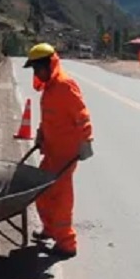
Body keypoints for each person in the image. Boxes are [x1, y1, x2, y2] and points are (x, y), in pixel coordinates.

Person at [23, 43, 94, 259]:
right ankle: (50, 229)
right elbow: (49, 118)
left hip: (66, 153)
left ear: (50, 64)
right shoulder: (50, 88)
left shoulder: (65, 85)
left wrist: (86, 141)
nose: (36, 73)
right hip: (52, 150)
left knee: (61, 197)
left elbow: (81, 115)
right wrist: (40, 134)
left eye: (38, 68)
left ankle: (66, 243)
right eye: (34, 69)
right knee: (41, 192)